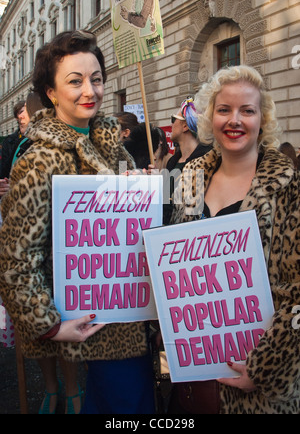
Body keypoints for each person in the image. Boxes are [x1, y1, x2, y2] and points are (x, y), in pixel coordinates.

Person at [0, 30, 155, 415]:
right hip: (85, 324)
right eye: (75, 81)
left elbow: (136, 229)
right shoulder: (39, 161)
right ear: (51, 93)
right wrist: (50, 326)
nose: (90, 90)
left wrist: (145, 193)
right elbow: (15, 260)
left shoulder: (115, 147)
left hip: (128, 316)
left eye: (97, 78)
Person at [170, 65, 299, 414]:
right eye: (224, 110)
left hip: (256, 384)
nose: (234, 120)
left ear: (263, 120)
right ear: (210, 117)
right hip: (194, 367)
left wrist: (265, 368)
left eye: (247, 110)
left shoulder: (289, 188)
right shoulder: (190, 179)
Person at [164, 97, 212, 224]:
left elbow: (194, 213)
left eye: (174, 119)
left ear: (185, 126)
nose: (171, 124)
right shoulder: (172, 162)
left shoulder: (204, 163)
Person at [0, 100, 31, 198]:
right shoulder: (18, 142)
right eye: (19, 113)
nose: (20, 117)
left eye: (25, 111)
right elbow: (5, 171)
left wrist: (14, 189)